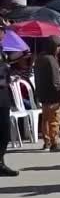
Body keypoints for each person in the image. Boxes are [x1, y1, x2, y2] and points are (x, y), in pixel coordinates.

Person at [34, 36, 60, 152]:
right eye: (58, 46)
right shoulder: (51, 60)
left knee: (45, 120)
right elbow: (56, 80)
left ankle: (47, 141)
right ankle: (55, 142)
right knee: (55, 119)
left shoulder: (39, 58)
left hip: (43, 94)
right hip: (53, 95)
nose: (59, 49)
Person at [0, 20, 19, 175]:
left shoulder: (2, 50)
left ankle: (0, 162)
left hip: (3, 95)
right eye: (1, 30)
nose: (3, 33)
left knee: (4, 132)